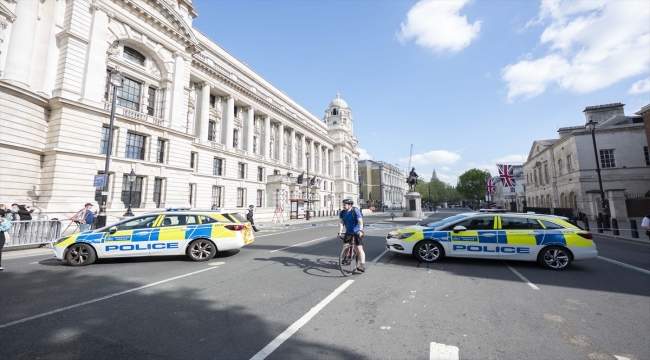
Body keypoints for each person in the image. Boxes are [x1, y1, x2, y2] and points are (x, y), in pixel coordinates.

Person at [337, 198, 366, 272]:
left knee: (359, 248)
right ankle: (346, 257)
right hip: (348, 231)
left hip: (357, 232)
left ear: (350, 205)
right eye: (343, 204)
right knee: (345, 246)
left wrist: (360, 230)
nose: (343, 206)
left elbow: (360, 222)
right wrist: (339, 231)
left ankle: (362, 265)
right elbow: (341, 222)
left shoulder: (355, 211)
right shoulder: (342, 212)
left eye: (345, 205)